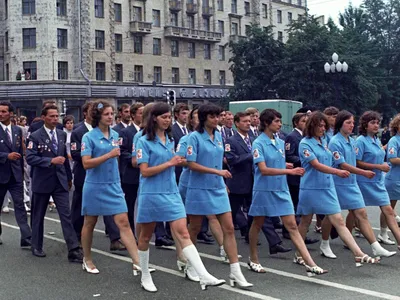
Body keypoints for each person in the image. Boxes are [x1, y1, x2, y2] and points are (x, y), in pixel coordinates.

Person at [136, 102, 225, 292]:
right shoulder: (143, 141)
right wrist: (170, 163)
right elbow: (144, 171)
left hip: (171, 192)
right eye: (164, 117)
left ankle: (203, 274)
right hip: (151, 193)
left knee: (183, 233)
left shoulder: (170, 139)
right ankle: (144, 274)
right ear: (154, 118)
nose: (168, 121)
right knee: (145, 236)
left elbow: (177, 161)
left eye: (169, 117)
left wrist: (179, 161)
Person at [248, 109, 326, 276]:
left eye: (280, 121)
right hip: (264, 190)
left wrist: (286, 166)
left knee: (292, 226)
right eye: (276, 121)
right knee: (258, 223)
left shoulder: (279, 141)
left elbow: (277, 163)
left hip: (281, 189)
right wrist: (289, 171)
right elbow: (263, 169)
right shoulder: (258, 143)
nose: (279, 124)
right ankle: (253, 258)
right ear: (267, 123)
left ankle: (309, 262)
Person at [297, 111, 380, 266]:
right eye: (319, 126)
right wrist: (337, 171)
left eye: (324, 126)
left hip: (327, 186)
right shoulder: (305, 143)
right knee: (305, 222)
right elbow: (316, 164)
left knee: (339, 221)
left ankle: (358, 253)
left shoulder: (325, 142)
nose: (322, 129)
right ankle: (299, 254)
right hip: (311, 188)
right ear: (311, 126)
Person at [186, 103, 253, 289]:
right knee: (195, 228)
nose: (217, 119)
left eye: (219, 116)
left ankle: (235, 272)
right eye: (213, 116)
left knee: (229, 228)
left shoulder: (219, 137)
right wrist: (218, 174)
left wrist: (222, 181)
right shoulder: (194, 137)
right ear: (204, 118)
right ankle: (190, 264)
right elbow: (190, 164)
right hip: (199, 187)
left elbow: (218, 162)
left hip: (217, 187)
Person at [80, 100, 146, 275]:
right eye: (106, 114)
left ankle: (137, 262)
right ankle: (87, 258)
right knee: (90, 222)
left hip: (114, 185)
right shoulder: (89, 137)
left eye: (111, 114)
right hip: (94, 186)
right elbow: (86, 163)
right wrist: (108, 155)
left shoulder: (116, 135)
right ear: (98, 117)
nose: (110, 117)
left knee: (123, 222)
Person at [327, 110, 395, 258]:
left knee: (361, 213)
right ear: (340, 124)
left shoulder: (352, 140)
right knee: (331, 215)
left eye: (352, 122)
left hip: (353, 183)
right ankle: (324, 243)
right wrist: (365, 172)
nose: (351, 125)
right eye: (348, 122)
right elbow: (344, 164)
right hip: (340, 183)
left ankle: (375, 246)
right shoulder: (335, 142)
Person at [225, 112, 290, 255]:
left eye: (249, 121)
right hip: (238, 182)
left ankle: (274, 242)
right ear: (237, 123)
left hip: (254, 181)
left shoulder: (255, 138)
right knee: (230, 213)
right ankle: (226, 241)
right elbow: (231, 160)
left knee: (260, 214)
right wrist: (251, 156)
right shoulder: (231, 140)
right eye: (244, 121)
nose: (248, 123)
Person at [26, 104, 82, 262]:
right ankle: (36, 245)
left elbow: (63, 156)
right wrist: (50, 160)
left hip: (60, 181)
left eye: (57, 116)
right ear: (44, 117)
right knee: (38, 216)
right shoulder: (35, 136)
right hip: (42, 181)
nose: (55, 119)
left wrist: (69, 178)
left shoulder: (61, 134)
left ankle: (73, 249)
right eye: (51, 116)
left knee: (66, 215)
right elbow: (30, 158)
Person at [70, 102, 125, 252]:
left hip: (107, 176)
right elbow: (76, 154)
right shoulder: (79, 132)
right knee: (82, 210)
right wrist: (97, 155)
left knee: (111, 210)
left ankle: (115, 238)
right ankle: (77, 237)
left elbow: (116, 153)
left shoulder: (112, 133)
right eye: (92, 111)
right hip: (86, 175)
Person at [355, 111, 400, 248]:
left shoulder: (376, 139)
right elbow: (357, 162)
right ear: (365, 125)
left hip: (378, 180)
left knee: (389, 211)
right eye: (372, 123)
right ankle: (346, 233)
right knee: (355, 211)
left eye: (377, 123)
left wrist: (381, 166)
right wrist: (378, 166)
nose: (376, 125)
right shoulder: (360, 141)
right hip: (364, 180)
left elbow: (382, 154)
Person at [282, 113, 319, 245]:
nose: (306, 123)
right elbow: (289, 155)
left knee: (300, 205)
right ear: (296, 123)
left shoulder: (306, 137)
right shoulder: (292, 137)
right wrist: (304, 160)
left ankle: (298, 231)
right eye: (303, 121)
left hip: (303, 174)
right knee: (294, 204)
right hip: (295, 173)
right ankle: (289, 230)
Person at [0, 101, 32, 247]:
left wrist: (22, 172)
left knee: (20, 206)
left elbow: (20, 152)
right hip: (1, 175)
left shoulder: (17, 130)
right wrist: (6, 156)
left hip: (16, 175)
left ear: (11, 114)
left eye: (4, 111)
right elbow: (10, 154)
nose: (1, 114)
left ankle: (26, 237)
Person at [120, 102, 144, 234]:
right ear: (133, 115)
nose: (143, 116)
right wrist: (137, 160)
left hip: (147, 174)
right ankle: (130, 232)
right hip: (131, 173)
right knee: (130, 204)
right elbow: (122, 151)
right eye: (141, 113)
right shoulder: (126, 132)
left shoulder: (148, 132)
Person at [385, 115, 400, 226]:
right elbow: (392, 158)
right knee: (389, 208)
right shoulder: (394, 140)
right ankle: (383, 232)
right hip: (394, 179)